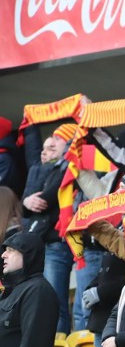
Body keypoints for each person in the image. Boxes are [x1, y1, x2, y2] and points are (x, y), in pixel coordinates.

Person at [0, 232, 58, 347]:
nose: (3, 255)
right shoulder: (12, 291)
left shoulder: (38, 291)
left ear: (28, 254)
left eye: (10, 250)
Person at [22, 126, 74, 334]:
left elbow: (47, 198)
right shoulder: (41, 169)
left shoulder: (67, 167)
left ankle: (59, 346)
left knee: (56, 301)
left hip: (56, 242)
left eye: (54, 144)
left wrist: (31, 200)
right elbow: (26, 207)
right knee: (41, 302)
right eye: (45, 147)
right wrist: (26, 200)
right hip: (41, 241)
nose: (46, 151)